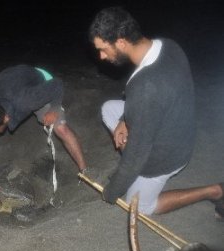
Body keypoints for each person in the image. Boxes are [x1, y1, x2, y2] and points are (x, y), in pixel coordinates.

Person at [88, 7, 224, 217]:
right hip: (176, 124)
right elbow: (154, 99)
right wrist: (127, 118)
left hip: (169, 154)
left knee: (139, 208)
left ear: (121, 42)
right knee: (109, 109)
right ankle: (131, 138)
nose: (101, 56)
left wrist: (111, 191)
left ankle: (213, 191)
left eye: (104, 49)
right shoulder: (167, 46)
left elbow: (136, 156)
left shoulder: (146, 87)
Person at [0, 64, 87, 205]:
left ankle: (85, 171)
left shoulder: (27, 100)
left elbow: (57, 84)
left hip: (40, 80)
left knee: (60, 128)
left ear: (6, 119)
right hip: (6, 82)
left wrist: (55, 108)